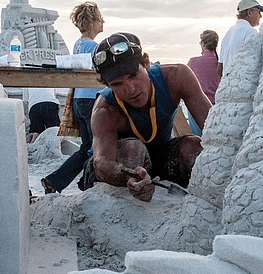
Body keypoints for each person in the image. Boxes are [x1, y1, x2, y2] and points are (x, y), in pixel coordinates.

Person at [84, 32, 211, 202]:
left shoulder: (176, 77)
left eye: (133, 75)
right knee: (133, 149)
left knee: (194, 147)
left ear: (146, 63)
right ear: (107, 85)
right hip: (119, 166)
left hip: (157, 157)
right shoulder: (105, 110)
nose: (130, 89)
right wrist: (126, 177)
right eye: (117, 84)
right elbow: (102, 163)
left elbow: (215, 129)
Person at [41, 1, 105, 193]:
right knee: (97, 146)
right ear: (92, 22)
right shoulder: (94, 46)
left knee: (86, 146)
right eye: (101, 19)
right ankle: (90, 183)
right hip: (92, 99)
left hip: (78, 100)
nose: (103, 22)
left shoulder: (78, 44)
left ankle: (55, 181)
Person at [218, 0, 263, 78]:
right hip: (241, 82)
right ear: (249, 12)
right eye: (259, 12)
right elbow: (255, 62)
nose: (261, 16)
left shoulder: (228, 33)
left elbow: (220, 68)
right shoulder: (250, 32)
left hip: (227, 83)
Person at [188, 29, 220, 104]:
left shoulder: (193, 62)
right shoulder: (221, 63)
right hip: (217, 104)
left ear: (203, 44)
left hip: (197, 104)